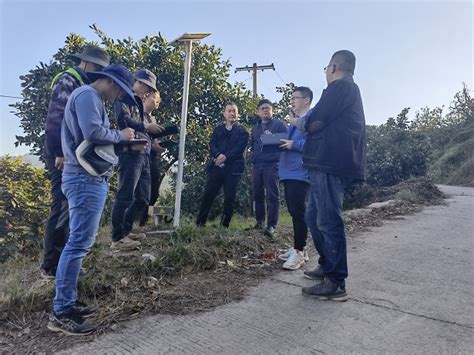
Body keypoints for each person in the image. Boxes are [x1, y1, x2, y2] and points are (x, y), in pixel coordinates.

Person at [48, 64, 137, 335]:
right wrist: (121, 135)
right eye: (121, 91)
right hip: (84, 179)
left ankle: (67, 303)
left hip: (85, 178)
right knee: (78, 244)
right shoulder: (88, 96)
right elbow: (93, 133)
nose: (119, 97)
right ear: (112, 83)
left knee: (78, 243)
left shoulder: (88, 96)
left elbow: (93, 135)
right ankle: (62, 311)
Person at [291, 50, 367, 301]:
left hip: (330, 163)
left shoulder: (340, 88)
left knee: (328, 220)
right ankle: (326, 265)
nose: (325, 72)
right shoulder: (347, 90)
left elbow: (316, 121)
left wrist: (300, 124)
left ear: (333, 67)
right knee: (314, 217)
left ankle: (336, 281)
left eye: (326, 68)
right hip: (325, 164)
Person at [41, 46, 110, 279]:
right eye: (99, 68)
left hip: (73, 153)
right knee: (62, 207)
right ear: (87, 64)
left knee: (71, 211)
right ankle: (51, 266)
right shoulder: (68, 80)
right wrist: (58, 152)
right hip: (63, 154)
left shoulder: (81, 84)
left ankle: (66, 264)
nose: (99, 73)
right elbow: (55, 118)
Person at [110, 69, 163, 251]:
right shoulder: (122, 98)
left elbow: (141, 126)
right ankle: (117, 238)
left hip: (144, 153)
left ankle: (126, 230)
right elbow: (123, 120)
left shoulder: (139, 103)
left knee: (143, 198)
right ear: (138, 83)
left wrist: (150, 132)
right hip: (129, 153)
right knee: (124, 195)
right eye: (146, 88)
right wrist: (146, 126)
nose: (147, 92)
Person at [196, 102, 249, 228]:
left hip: (233, 168)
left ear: (238, 114)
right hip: (217, 166)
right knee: (208, 193)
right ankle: (200, 222)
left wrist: (225, 157)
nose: (232, 113)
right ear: (224, 113)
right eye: (229, 111)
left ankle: (224, 225)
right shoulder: (217, 129)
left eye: (234, 111)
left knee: (229, 197)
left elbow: (239, 148)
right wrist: (218, 154)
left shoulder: (243, 131)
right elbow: (212, 145)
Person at [277, 87, 313, 270]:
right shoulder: (294, 121)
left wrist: (294, 144)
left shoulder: (311, 118)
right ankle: (300, 248)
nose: (291, 101)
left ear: (306, 100)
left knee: (298, 212)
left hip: (299, 172)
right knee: (294, 211)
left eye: (295, 98)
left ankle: (299, 252)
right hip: (287, 171)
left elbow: (315, 142)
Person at [250, 99, 287, 238]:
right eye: (262, 108)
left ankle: (272, 225)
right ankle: (259, 222)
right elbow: (253, 145)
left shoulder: (279, 124)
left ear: (272, 110)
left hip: (272, 164)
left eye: (268, 108)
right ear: (258, 112)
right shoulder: (255, 128)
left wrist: (270, 138)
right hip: (257, 164)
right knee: (257, 194)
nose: (265, 110)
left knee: (272, 194)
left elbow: (285, 138)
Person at [139, 90, 166, 226]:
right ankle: (132, 223)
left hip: (152, 158)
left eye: (158, 99)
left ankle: (142, 221)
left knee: (153, 192)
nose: (157, 101)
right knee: (140, 192)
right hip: (139, 156)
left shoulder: (153, 119)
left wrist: (162, 146)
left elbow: (153, 142)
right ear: (145, 97)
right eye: (154, 97)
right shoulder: (138, 116)